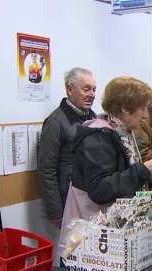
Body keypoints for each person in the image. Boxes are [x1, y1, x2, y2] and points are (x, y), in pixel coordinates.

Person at [59, 77, 152, 241]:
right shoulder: (99, 136)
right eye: (142, 108)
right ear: (125, 108)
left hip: (111, 230)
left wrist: (150, 176)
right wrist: (144, 170)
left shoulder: (123, 132)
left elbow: (122, 173)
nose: (146, 114)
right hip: (92, 234)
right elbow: (100, 189)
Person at [37, 67, 97, 230]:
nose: (92, 94)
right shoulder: (55, 122)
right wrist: (55, 212)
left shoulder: (94, 118)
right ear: (70, 89)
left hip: (92, 198)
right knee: (72, 251)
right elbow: (46, 169)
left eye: (93, 89)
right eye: (86, 89)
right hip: (69, 200)